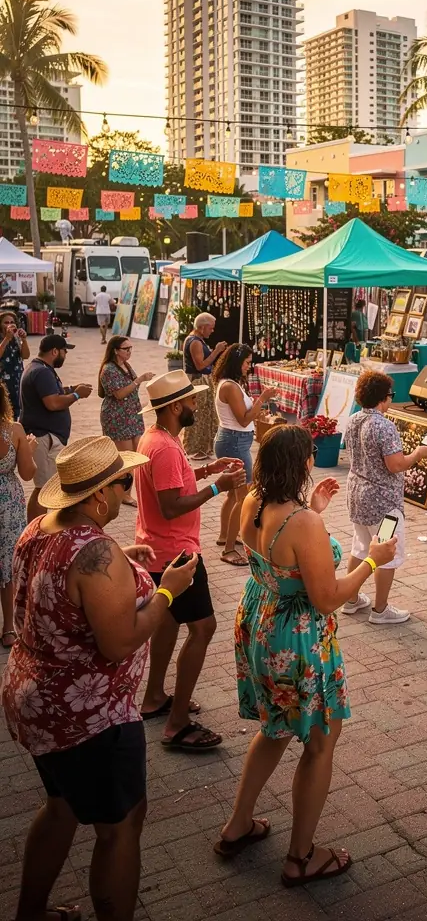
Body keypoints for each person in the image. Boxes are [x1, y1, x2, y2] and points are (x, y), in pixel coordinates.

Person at [0, 435, 198, 921]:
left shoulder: (39, 527)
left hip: (36, 701)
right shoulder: (95, 553)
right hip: (88, 718)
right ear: (95, 496)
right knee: (121, 825)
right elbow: (121, 641)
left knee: (61, 804)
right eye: (122, 484)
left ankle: (30, 912)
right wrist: (168, 593)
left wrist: (120, 556)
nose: (126, 492)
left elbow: (62, 574)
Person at [215, 424, 396, 884]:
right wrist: (371, 560)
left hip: (262, 618)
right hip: (297, 639)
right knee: (319, 741)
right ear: (300, 465)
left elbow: (283, 556)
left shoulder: (253, 501)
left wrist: (311, 509)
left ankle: (237, 825)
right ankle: (300, 857)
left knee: (275, 728)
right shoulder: (303, 524)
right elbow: (328, 597)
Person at [135, 370, 245, 750]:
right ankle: (177, 724)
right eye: (193, 400)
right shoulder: (164, 446)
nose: (197, 405)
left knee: (167, 625)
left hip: (160, 548)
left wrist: (206, 470)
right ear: (176, 406)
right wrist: (217, 487)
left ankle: (154, 698)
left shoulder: (158, 439)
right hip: (175, 552)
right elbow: (170, 505)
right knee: (203, 628)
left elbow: (173, 482)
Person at [342, 371, 427, 625]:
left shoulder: (354, 419)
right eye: (390, 396)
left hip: (357, 493)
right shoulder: (384, 425)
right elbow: (396, 464)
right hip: (383, 501)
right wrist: (417, 454)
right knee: (386, 551)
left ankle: (351, 598)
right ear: (382, 397)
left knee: (360, 546)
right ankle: (380, 609)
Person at [212, 343, 277, 566]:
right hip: (234, 442)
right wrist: (263, 398)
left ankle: (225, 537)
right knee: (243, 497)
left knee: (234, 495)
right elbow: (244, 419)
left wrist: (259, 402)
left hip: (234, 440)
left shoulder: (232, 383)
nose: (249, 367)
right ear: (236, 362)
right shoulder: (229, 386)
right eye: (247, 362)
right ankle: (229, 548)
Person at [20, 334, 92, 522]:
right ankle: (36, 531)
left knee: (45, 487)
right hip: (45, 438)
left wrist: (70, 388)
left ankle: (37, 528)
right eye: (64, 351)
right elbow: (52, 403)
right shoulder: (42, 372)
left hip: (45, 436)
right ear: (54, 351)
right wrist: (77, 395)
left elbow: (52, 392)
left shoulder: (40, 368)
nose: (65, 355)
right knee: (43, 489)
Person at [0, 380, 35, 647]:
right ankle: (9, 627)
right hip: (8, 503)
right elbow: (27, 473)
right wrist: (30, 451)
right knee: (7, 565)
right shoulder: (14, 431)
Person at [99, 336, 154, 507]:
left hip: (132, 415)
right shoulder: (109, 369)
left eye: (131, 348)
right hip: (117, 418)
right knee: (126, 459)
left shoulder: (125, 365)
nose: (129, 351)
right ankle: (121, 494)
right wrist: (140, 380)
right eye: (126, 349)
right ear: (116, 350)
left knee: (137, 455)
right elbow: (119, 394)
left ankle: (125, 493)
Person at [181, 313, 227, 460]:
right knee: (199, 415)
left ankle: (204, 446)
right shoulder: (195, 342)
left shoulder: (197, 339)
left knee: (206, 414)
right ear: (202, 327)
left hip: (202, 381)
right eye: (210, 328)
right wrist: (216, 351)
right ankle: (196, 448)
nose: (212, 331)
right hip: (198, 382)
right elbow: (200, 365)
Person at [0, 308, 30, 419]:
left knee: (17, 410)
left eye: (12, 322)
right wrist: (7, 339)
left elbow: (25, 355)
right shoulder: (4, 338)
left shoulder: (16, 338)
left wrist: (24, 340)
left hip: (17, 381)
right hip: (2, 382)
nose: (9, 324)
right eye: (6, 322)